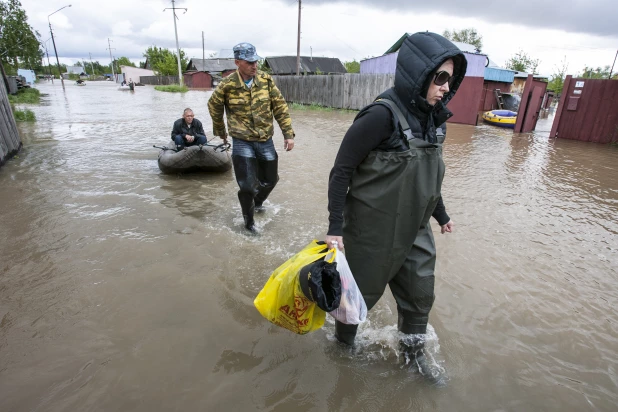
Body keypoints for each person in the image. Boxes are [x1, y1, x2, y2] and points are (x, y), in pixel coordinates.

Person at [324, 32, 467, 384]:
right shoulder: (379, 116)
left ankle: (415, 361)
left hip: (415, 231)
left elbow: (428, 177)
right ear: (418, 75)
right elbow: (341, 170)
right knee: (355, 303)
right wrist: (335, 228)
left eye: (451, 79)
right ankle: (343, 351)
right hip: (372, 233)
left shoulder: (436, 121)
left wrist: (441, 214)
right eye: (440, 78)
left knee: (420, 297)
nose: (446, 87)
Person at [208, 42, 295, 232]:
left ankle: (257, 202)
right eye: (249, 62)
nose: (255, 65)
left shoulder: (266, 80)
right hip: (242, 140)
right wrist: (221, 130)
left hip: (265, 139)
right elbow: (213, 105)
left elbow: (280, 107)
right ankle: (249, 224)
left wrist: (288, 134)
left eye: (256, 61)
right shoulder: (228, 84)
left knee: (271, 180)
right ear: (237, 62)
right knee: (247, 185)